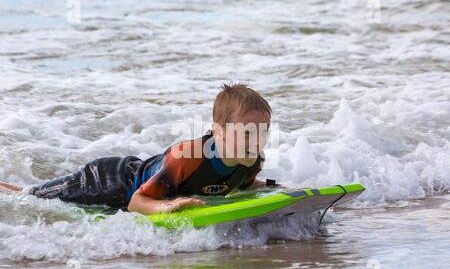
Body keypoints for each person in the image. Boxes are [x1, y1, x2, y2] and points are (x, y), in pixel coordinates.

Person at [0, 83, 281, 215]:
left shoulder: (251, 159)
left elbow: (242, 183)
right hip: (109, 181)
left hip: (141, 178)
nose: (256, 140)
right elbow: (136, 202)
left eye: (262, 132)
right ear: (217, 131)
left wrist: (277, 190)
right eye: (246, 133)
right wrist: (167, 206)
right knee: (29, 197)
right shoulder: (188, 157)